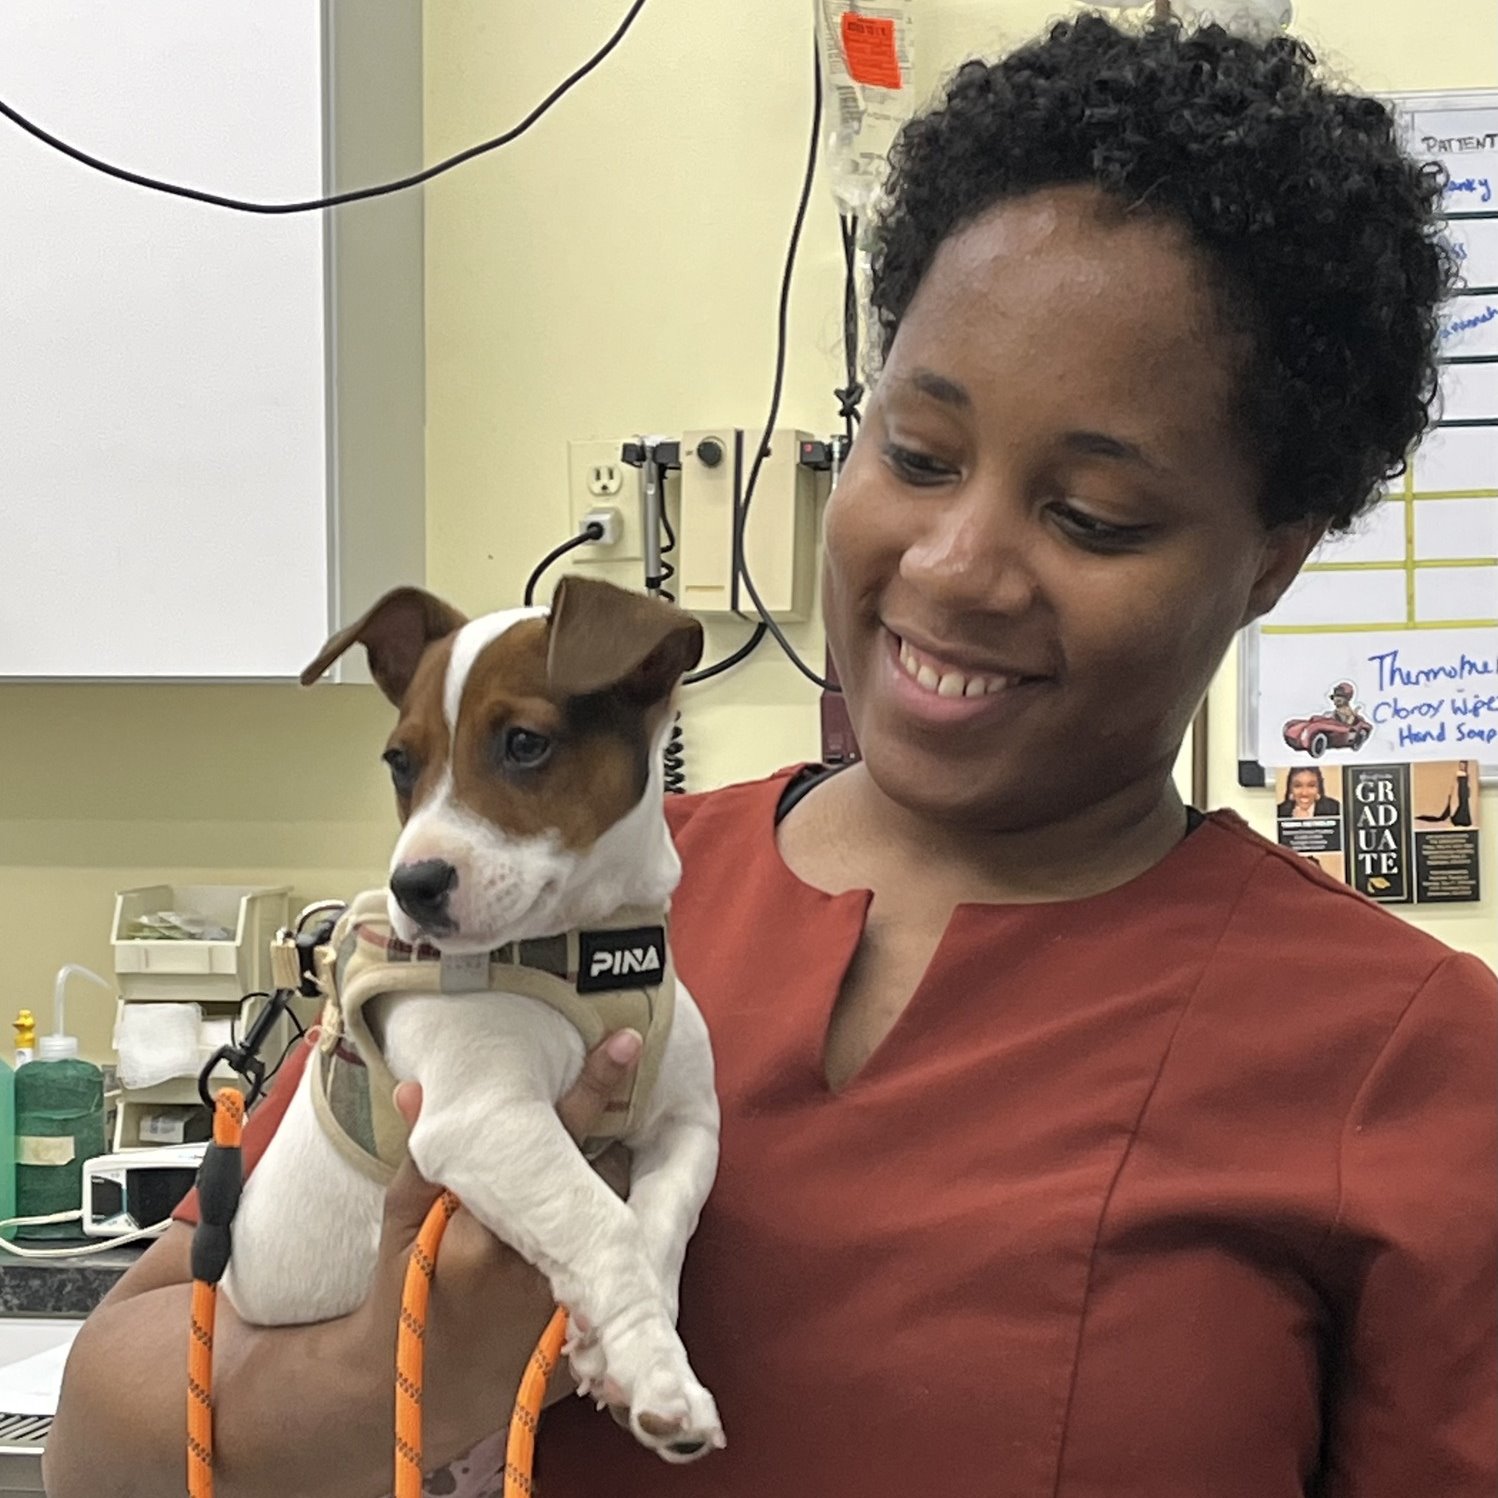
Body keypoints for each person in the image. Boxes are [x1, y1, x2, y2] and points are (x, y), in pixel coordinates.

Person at [46, 13, 1496, 1498]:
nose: (951, 565)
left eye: (1090, 515)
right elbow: (108, 1450)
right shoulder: (565, 895)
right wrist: (437, 1346)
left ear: (1268, 557)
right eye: (914, 456)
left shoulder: (1405, 1059)